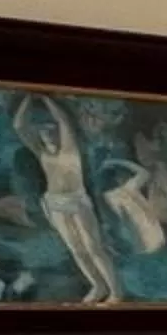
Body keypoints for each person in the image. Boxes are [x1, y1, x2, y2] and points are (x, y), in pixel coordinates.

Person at [11, 92, 124, 304]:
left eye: (51, 132)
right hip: (55, 203)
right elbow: (19, 126)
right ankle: (98, 286)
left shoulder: (69, 150)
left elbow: (64, 122)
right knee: (77, 250)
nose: (47, 136)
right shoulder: (42, 153)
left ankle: (116, 291)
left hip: (77, 201)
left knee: (94, 248)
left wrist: (47, 98)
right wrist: (27, 99)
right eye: (43, 133)